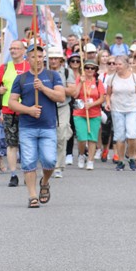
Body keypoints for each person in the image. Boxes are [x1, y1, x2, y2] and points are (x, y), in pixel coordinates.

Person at [9, 44, 66, 208]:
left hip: (48, 126)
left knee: (49, 161)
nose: (38, 59)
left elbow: (61, 96)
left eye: (41, 56)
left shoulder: (52, 75)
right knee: (28, 162)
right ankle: (32, 196)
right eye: (34, 56)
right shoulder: (21, 79)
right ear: (27, 58)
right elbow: (12, 102)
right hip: (27, 127)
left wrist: (43, 88)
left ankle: (45, 182)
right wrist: (28, 110)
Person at [0, 40, 31, 187]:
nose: (13, 51)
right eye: (11, 48)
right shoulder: (4, 68)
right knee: (11, 144)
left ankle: (29, 173)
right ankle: (13, 174)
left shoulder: (30, 66)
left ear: (23, 51)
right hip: (9, 110)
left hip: (27, 110)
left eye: (16, 48)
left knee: (27, 144)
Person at [105, 55, 136, 171]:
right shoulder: (111, 78)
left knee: (132, 134)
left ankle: (132, 156)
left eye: (119, 64)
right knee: (120, 136)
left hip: (132, 109)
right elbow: (108, 94)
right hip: (117, 109)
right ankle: (121, 160)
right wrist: (108, 102)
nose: (116, 66)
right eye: (115, 64)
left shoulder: (134, 77)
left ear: (126, 65)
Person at [47, 47, 76, 178]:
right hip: (47, 106)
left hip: (62, 106)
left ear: (60, 60)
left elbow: (72, 91)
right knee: (48, 136)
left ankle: (58, 165)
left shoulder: (66, 72)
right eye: (51, 58)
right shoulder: (43, 71)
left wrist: (57, 88)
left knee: (61, 136)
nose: (53, 61)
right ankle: (48, 163)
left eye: (55, 58)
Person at [72, 59, 106, 170]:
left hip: (94, 113)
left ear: (95, 70)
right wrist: (81, 83)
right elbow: (75, 95)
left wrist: (91, 105)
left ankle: (90, 160)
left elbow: (102, 98)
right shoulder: (79, 79)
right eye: (87, 68)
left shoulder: (98, 82)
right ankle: (81, 155)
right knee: (82, 137)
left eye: (92, 68)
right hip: (79, 112)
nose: (90, 70)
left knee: (92, 138)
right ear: (84, 69)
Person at [65, 53, 82, 165]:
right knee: (70, 127)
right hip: (70, 103)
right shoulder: (66, 74)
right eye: (73, 61)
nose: (75, 63)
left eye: (77, 61)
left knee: (81, 129)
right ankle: (69, 153)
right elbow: (74, 93)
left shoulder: (85, 73)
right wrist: (80, 83)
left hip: (83, 104)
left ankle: (82, 153)